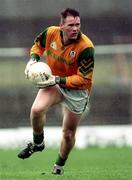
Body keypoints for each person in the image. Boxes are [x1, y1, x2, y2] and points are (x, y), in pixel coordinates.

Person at [18, 8, 95, 175]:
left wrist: (57, 80)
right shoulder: (51, 33)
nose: (75, 28)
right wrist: (33, 60)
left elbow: (84, 80)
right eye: (71, 25)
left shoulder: (86, 47)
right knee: (36, 110)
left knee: (68, 134)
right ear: (61, 25)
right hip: (55, 83)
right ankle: (38, 144)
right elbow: (38, 46)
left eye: (78, 24)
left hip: (77, 91)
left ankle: (59, 166)